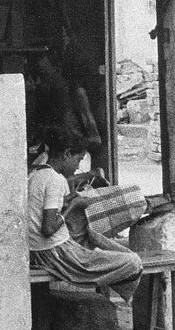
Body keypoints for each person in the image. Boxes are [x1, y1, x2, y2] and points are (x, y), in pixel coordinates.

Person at [28, 129, 143, 302]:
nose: (77, 167)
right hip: (56, 254)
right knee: (132, 262)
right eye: (78, 160)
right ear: (67, 154)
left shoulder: (36, 174)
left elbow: (42, 208)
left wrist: (67, 200)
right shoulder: (55, 180)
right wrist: (73, 206)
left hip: (39, 251)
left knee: (97, 240)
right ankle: (125, 293)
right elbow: (48, 228)